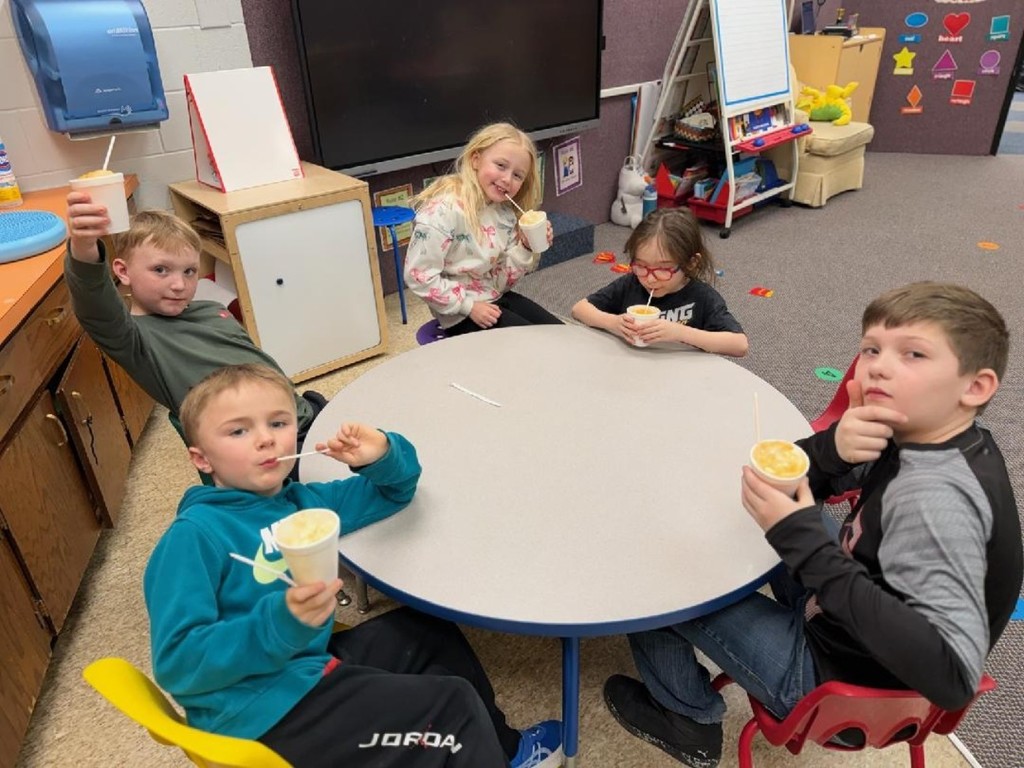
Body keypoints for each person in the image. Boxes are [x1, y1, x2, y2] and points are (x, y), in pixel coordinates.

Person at [602, 282, 1022, 767]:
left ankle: (686, 719)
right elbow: (793, 478)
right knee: (751, 517)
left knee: (656, 580)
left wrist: (799, 538)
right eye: (872, 349)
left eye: (913, 354)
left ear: (975, 387)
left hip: (839, 680)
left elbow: (951, 681)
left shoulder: (942, 504)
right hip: (843, 612)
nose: (877, 366)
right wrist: (834, 448)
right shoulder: (923, 433)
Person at [144, 363, 563, 768]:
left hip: (305, 665)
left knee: (430, 630)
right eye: (239, 430)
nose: (266, 440)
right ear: (201, 459)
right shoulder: (194, 537)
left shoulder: (302, 502)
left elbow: (395, 492)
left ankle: (506, 751)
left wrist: (381, 454)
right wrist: (278, 624)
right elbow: (178, 664)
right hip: (256, 714)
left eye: (278, 423)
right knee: (452, 707)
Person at [63, 201, 325, 478]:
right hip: (266, 452)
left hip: (301, 412)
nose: (179, 285)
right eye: (161, 270)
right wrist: (84, 247)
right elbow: (96, 305)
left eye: (189, 271)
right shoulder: (134, 339)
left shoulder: (212, 310)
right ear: (123, 271)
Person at [404, 122, 563, 335]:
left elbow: (500, 283)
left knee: (560, 334)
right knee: (534, 344)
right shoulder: (442, 210)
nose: (507, 179)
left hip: (492, 295)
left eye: (517, 175)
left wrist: (525, 247)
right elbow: (418, 276)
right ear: (475, 159)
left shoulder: (505, 214)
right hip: (459, 312)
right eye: (501, 165)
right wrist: (468, 306)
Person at [571, 208, 748, 357]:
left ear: (691, 263)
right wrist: (614, 323)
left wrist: (680, 333)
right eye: (641, 266)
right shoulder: (632, 284)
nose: (650, 279)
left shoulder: (702, 296)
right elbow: (579, 309)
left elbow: (739, 345)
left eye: (663, 269)